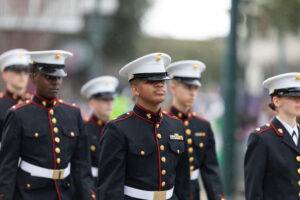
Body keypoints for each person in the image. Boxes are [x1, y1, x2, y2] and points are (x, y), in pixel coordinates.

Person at [0, 50, 95, 200]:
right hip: (29, 193)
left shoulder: (73, 113)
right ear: (34, 76)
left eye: (59, 77)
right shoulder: (19, 114)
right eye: (49, 77)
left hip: (65, 192)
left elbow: (81, 166)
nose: (55, 82)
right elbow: (8, 167)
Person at [97, 53, 190, 200]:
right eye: (151, 81)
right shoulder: (118, 129)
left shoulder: (176, 125)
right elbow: (109, 188)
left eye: (162, 81)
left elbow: (183, 183)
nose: (159, 84)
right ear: (135, 89)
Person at [166, 60, 225, 200]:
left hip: (193, 193)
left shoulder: (202, 125)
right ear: (173, 88)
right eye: (188, 87)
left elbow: (211, 170)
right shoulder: (162, 123)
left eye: (195, 88)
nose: (193, 93)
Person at [245, 72, 300, 200]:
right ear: (276, 101)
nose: (298, 101)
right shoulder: (262, 138)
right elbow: (254, 190)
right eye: (293, 97)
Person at [81, 75, 119, 186]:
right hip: (93, 185)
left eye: (111, 99)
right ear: (92, 102)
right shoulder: (84, 129)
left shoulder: (117, 128)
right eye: (104, 99)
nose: (109, 103)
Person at [0, 49, 31, 142]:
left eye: (26, 71)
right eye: (17, 70)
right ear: (4, 74)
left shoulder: (35, 102)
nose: (22, 75)